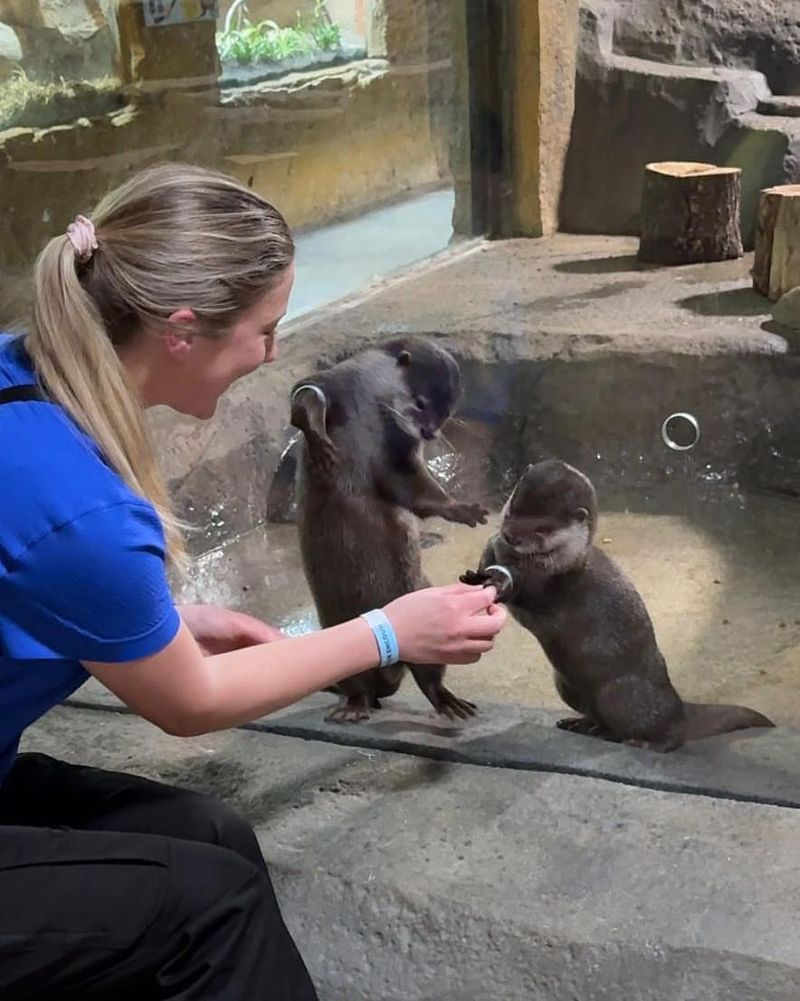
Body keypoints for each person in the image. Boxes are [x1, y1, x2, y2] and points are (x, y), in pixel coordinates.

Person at [0, 163, 507, 1001]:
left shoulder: (27, 370)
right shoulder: (81, 511)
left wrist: (163, 624)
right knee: (210, 905)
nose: (275, 353)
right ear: (182, 332)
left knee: (214, 832)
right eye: (266, 329)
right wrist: (388, 631)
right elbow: (189, 704)